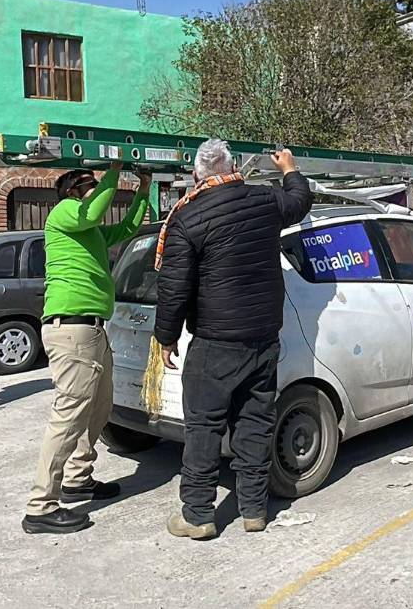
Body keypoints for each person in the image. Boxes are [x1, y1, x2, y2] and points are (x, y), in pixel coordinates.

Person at [154, 139, 312, 540]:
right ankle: (254, 510)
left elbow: (174, 288)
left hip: (215, 342)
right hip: (262, 337)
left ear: (196, 175)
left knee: (204, 427)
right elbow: (299, 202)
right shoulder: (264, 201)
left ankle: (198, 515)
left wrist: (166, 339)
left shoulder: (187, 218)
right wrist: (289, 167)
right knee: (255, 423)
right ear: (233, 167)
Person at [22, 164, 152, 535]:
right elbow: (94, 209)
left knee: (99, 406)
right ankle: (40, 506)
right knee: (68, 415)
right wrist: (113, 172)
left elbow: (127, 229)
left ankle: (78, 477)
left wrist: (142, 191)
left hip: (92, 329)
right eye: (88, 186)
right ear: (73, 192)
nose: (95, 191)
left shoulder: (88, 229)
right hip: (72, 328)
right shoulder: (64, 213)